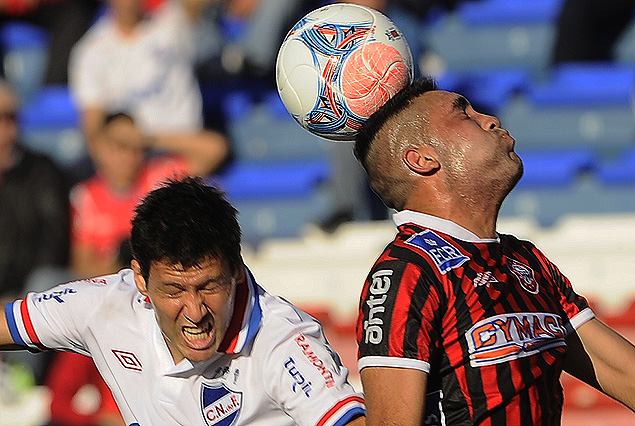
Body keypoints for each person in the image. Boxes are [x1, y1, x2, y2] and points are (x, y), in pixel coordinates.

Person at [353, 76, 635, 425]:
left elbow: (620, 370)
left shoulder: (525, 260)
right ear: (423, 159)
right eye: (464, 114)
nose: (491, 119)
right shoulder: (407, 272)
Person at [0, 176, 366, 426]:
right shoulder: (104, 306)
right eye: (174, 291)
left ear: (237, 269)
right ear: (140, 279)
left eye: (209, 286)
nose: (195, 312)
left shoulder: (282, 343)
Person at [68, 0, 230, 177]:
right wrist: (116, 160)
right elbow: (93, 129)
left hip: (182, 149)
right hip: (129, 158)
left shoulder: (171, 27)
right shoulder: (91, 52)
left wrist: (146, 138)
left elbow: (214, 149)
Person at [70, 112, 188, 278]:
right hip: (114, 284)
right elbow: (82, 264)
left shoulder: (161, 176)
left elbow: (214, 150)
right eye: (120, 145)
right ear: (100, 148)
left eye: (134, 145)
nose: (129, 154)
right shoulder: (84, 196)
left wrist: (150, 138)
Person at [0, 79, 70, 303]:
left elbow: (54, 241)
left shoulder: (43, 171)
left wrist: (13, 293)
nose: (5, 126)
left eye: (10, 117)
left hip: (26, 290)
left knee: (44, 280)